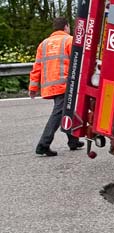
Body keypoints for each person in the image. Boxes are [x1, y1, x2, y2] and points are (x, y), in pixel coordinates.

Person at [29, 17, 84, 156]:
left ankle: (73, 141)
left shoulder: (44, 44)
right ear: (66, 27)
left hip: (51, 86)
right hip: (65, 84)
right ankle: (43, 144)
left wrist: (33, 87)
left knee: (68, 110)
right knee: (59, 113)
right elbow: (77, 63)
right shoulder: (69, 40)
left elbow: (37, 67)